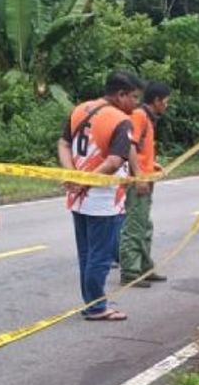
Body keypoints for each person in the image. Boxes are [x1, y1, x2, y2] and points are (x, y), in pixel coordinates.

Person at [58, 71, 142, 322]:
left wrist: (72, 174)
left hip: (78, 198)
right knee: (101, 257)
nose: (136, 104)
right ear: (121, 95)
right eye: (134, 97)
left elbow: (63, 143)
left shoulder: (81, 109)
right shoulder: (120, 120)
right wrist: (86, 181)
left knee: (86, 254)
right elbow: (115, 160)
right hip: (103, 201)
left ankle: (92, 301)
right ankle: (96, 307)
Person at [120, 82, 170, 287]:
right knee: (135, 226)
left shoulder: (149, 118)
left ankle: (144, 268)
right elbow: (129, 145)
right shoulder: (139, 116)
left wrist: (151, 164)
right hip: (138, 182)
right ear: (156, 101)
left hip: (147, 178)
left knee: (145, 225)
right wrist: (139, 174)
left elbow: (140, 148)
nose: (166, 106)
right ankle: (130, 273)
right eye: (165, 102)